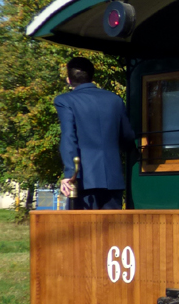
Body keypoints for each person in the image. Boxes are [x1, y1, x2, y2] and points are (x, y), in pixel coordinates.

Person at [54, 56, 136, 210]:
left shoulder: (64, 100)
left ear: (68, 80)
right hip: (113, 178)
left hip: (84, 179)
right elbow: (127, 136)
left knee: (82, 231)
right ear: (92, 77)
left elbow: (68, 137)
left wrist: (70, 173)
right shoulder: (115, 100)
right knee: (113, 231)